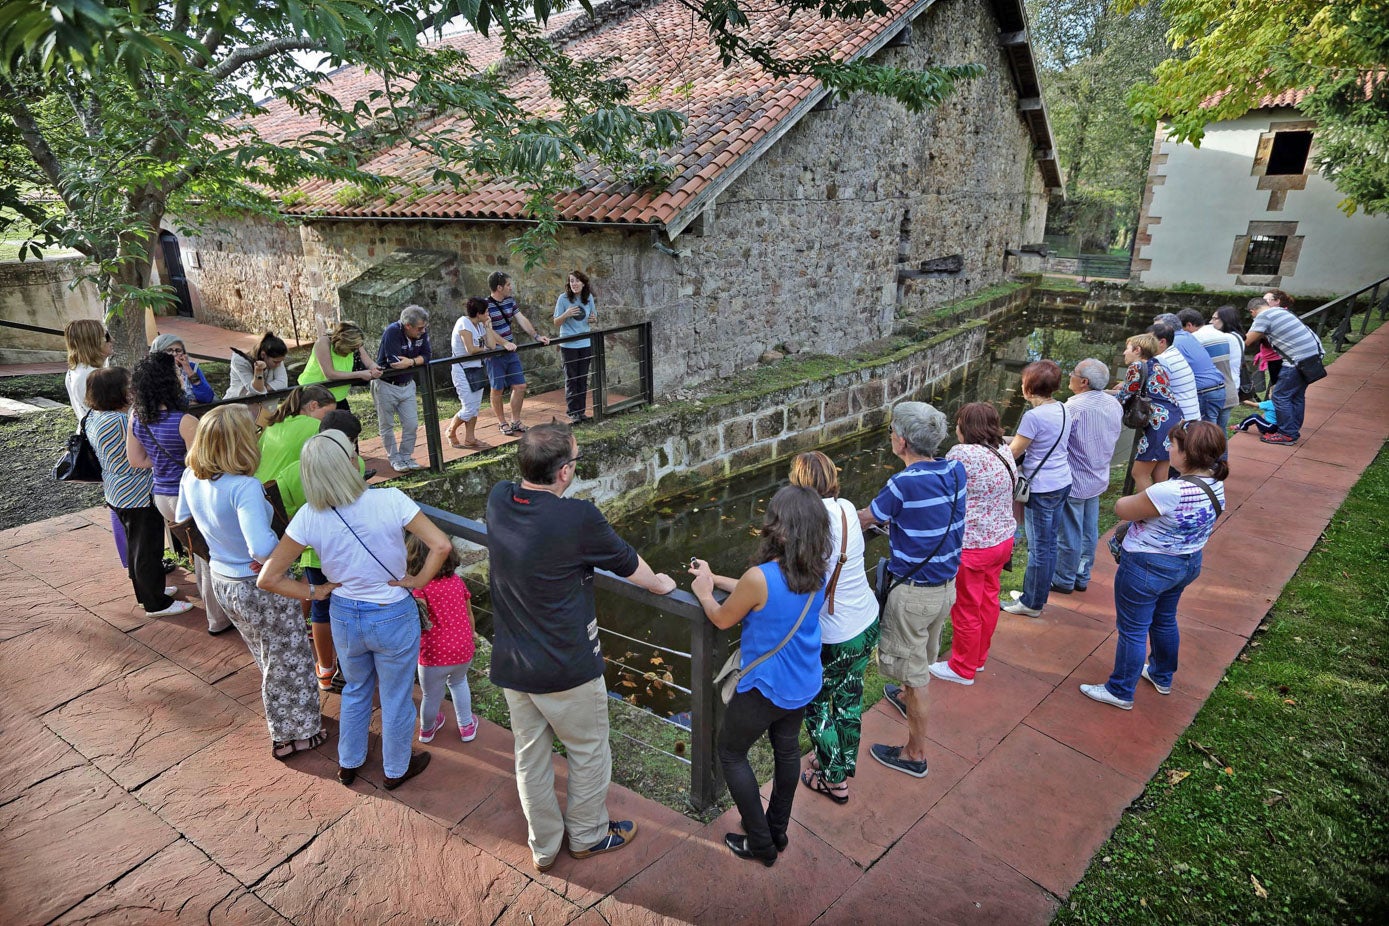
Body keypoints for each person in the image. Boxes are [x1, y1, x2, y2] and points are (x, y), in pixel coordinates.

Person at [486, 422, 675, 872]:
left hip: (514, 660)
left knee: (530, 755)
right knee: (589, 751)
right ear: (565, 473)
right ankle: (588, 835)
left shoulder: (498, 498)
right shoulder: (578, 518)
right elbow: (633, 567)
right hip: (565, 665)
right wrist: (663, 583)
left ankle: (544, 846)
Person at [257, 429, 453, 790]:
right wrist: (417, 581)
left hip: (345, 614)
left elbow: (268, 578)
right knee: (396, 696)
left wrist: (314, 591)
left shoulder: (308, 516)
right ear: (351, 462)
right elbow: (440, 545)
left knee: (356, 689)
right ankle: (396, 769)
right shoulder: (390, 500)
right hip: (392, 611)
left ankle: (349, 763)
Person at [176, 405, 327, 759]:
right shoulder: (243, 487)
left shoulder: (190, 478)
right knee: (288, 656)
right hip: (256, 582)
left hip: (223, 579)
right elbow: (260, 545)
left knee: (266, 652)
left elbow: (181, 519)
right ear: (241, 443)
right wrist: (290, 544)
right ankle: (293, 734)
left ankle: (293, 717)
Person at [690, 485, 826, 863]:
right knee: (786, 752)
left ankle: (761, 843)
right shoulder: (819, 569)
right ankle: (777, 831)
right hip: (802, 682)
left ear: (780, 529)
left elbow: (721, 618)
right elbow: (763, 594)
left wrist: (703, 593)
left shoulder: (760, 576)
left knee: (731, 752)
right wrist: (716, 579)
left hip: (766, 687)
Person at [1081, 422, 1227, 710]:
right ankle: (1161, 674)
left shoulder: (1169, 492)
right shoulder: (1215, 485)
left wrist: (1135, 492)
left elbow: (1122, 508)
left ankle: (1120, 689)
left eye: (1172, 445)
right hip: (1187, 562)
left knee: (1133, 629)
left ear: (1187, 454)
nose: (1168, 449)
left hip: (1147, 566)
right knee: (1165, 618)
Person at [857, 402, 966, 779]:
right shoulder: (956, 469)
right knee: (921, 654)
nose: (890, 436)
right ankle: (905, 696)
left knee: (916, 673)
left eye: (891, 432)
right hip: (945, 587)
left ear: (901, 442)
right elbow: (929, 516)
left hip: (915, 594)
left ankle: (914, 754)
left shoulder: (902, 484)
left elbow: (865, 518)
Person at [787, 451, 877, 804]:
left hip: (833, 634)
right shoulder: (847, 509)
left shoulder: (806, 524)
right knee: (849, 700)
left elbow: (790, 577)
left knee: (818, 706)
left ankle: (834, 779)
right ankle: (841, 759)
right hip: (866, 620)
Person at [127, 352, 232, 634]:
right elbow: (203, 466)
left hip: (161, 497)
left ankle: (217, 614)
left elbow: (136, 460)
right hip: (189, 498)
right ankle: (218, 619)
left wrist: (162, 462)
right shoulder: (185, 421)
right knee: (209, 558)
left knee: (196, 554)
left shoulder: (136, 416)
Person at [267, 408, 368, 691]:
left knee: (321, 611)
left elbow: (285, 516)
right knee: (352, 604)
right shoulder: (355, 464)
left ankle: (325, 668)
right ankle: (353, 665)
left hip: (313, 555)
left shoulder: (288, 474)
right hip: (348, 549)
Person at [84, 367, 192, 618]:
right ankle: (157, 603)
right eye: (127, 385)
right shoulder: (121, 420)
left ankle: (146, 592)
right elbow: (144, 452)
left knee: (136, 546)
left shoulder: (93, 416)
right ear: (116, 391)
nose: (132, 389)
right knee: (148, 548)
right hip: (138, 492)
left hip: (116, 491)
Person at [936, 403, 1016, 684]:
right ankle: (978, 658)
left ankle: (962, 668)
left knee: (966, 607)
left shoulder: (962, 454)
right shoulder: (1003, 449)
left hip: (974, 546)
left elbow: (942, 488)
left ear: (964, 427)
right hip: (1002, 540)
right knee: (988, 600)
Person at [1001, 361, 1072, 618]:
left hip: (1041, 488)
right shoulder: (1063, 408)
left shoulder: (1033, 416)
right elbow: (1042, 442)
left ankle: (1031, 603)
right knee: (1049, 543)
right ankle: (1036, 594)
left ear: (1029, 387)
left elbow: (1015, 451)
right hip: (1062, 481)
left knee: (1039, 548)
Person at [1052, 360, 1123, 596]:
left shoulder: (1072, 408)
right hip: (1097, 476)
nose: (1069, 376)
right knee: (1089, 531)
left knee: (1069, 533)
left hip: (1074, 480)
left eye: (1073, 373)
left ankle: (1063, 579)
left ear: (1084, 382)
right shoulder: (1113, 404)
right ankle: (1082, 575)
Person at [64, 319, 128, 568]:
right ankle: (136, 563)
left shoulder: (81, 370)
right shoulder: (88, 375)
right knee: (123, 503)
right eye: (105, 337)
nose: (110, 341)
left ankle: (135, 562)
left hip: (101, 440)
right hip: (108, 442)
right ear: (93, 342)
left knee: (119, 501)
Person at [406, 533, 479, 743]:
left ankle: (427, 730)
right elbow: (468, 614)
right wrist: (470, 637)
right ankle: (466, 726)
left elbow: (417, 623)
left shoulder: (419, 589)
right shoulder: (456, 582)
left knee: (430, 695)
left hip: (433, 653)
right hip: (462, 648)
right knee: (459, 683)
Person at [1245, 294, 1322, 446]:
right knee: (1296, 396)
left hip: (1296, 361)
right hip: (1312, 357)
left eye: (1252, 315)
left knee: (1280, 396)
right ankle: (1292, 429)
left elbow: (1246, 341)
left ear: (1252, 311)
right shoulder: (1282, 311)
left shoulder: (1263, 316)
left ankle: (1286, 434)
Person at [1112, 333, 1183, 492]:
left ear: (1137, 350)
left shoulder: (1136, 366)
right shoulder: (1157, 364)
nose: (1124, 352)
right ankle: (1162, 512)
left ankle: (1146, 512)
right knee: (1160, 473)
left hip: (1158, 423)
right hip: (1174, 418)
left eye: (1127, 348)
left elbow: (1125, 395)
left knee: (1139, 473)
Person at [485, 271, 550, 436]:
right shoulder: (486, 306)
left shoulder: (510, 301)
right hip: (494, 353)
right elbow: (488, 331)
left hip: (510, 351)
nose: (510, 287)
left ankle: (515, 421)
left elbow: (521, 319)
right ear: (499, 287)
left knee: (520, 385)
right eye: (508, 284)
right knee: (497, 389)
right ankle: (502, 422)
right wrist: (504, 343)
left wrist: (536, 335)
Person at [373, 305, 432, 472]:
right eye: (420, 328)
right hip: (386, 385)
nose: (423, 331)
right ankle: (394, 458)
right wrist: (414, 360)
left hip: (407, 385)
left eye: (424, 327)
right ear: (408, 326)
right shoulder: (392, 332)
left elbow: (428, 355)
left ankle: (406, 456)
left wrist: (411, 362)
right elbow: (394, 361)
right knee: (387, 425)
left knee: (412, 423)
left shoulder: (421, 331)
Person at [254, 384, 337, 482]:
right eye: (327, 413)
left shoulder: (276, 422)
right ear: (313, 405)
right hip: (282, 490)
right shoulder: (317, 425)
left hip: (258, 485)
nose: (328, 418)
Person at [1181, 307, 1245, 430]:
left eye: (1215, 318)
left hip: (1219, 386)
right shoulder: (1236, 337)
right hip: (1230, 385)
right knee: (1220, 432)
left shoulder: (1224, 338)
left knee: (1209, 433)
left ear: (1226, 320)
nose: (1211, 322)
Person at [1154, 313, 1225, 423]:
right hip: (1218, 388)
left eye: (1157, 328)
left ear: (1169, 328)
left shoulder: (1173, 344)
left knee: (1202, 435)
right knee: (1215, 432)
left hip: (1204, 392)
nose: (1153, 332)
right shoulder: (1188, 336)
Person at [447, 297, 493, 450]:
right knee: (468, 407)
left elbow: (491, 344)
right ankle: (451, 431)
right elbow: (471, 349)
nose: (488, 314)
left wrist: (488, 327)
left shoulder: (479, 325)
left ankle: (470, 438)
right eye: (486, 312)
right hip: (461, 369)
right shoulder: (463, 323)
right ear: (478, 313)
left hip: (476, 368)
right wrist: (484, 349)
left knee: (476, 406)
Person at [299, 320, 381, 402]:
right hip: (314, 395)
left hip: (338, 395)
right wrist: (360, 374)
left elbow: (369, 362)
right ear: (344, 343)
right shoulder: (323, 343)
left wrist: (375, 368)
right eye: (353, 348)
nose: (354, 351)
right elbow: (330, 374)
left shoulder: (355, 344)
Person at [553, 270, 597, 423]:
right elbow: (556, 322)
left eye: (577, 281)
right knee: (572, 378)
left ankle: (581, 412)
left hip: (585, 343)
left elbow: (594, 317)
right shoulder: (563, 299)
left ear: (583, 283)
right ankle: (573, 412)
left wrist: (592, 319)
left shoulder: (588, 297)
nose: (574, 284)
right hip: (568, 344)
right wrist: (566, 314)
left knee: (582, 378)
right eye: (571, 281)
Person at [1146, 323, 1200, 423]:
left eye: (1149, 340)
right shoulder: (1174, 352)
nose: (1146, 344)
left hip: (1181, 418)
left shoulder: (1161, 360)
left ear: (1162, 342)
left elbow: (1146, 388)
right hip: (1193, 414)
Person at [64, 319, 112, 421]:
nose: (112, 340)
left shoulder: (75, 370)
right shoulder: (94, 376)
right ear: (93, 342)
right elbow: (110, 417)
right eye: (106, 336)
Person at [149, 333, 215, 405]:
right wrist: (188, 403)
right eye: (169, 350)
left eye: (178, 350)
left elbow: (207, 398)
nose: (174, 354)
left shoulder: (192, 367)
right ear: (158, 352)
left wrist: (189, 371)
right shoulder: (152, 370)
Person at [225, 331, 290, 399]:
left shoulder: (277, 358)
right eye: (276, 362)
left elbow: (283, 383)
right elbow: (256, 390)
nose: (279, 365)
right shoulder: (240, 360)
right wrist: (259, 370)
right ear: (263, 355)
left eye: (281, 361)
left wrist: (263, 387)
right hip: (236, 404)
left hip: (263, 407)